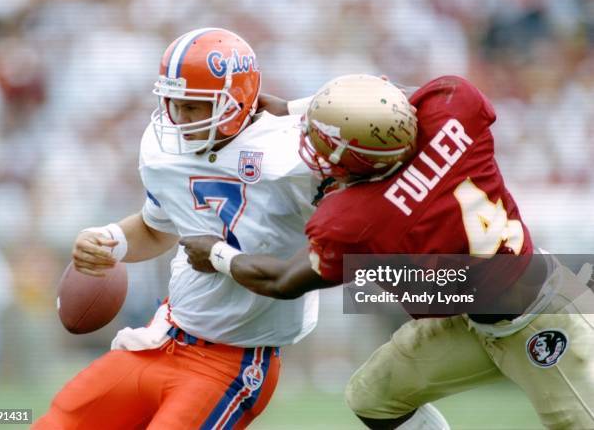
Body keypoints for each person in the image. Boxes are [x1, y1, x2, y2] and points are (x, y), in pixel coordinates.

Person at [182, 74, 594, 429]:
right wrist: (295, 108)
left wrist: (217, 254)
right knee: (372, 396)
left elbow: (283, 281)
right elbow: (395, 97)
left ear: (355, 161)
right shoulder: (454, 107)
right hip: (480, 314)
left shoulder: (362, 217)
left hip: (543, 317)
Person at [33, 27, 319, 429]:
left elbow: (335, 248)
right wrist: (108, 241)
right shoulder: (164, 149)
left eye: (193, 107)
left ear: (236, 101)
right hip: (163, 336)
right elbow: (156, 229)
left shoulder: (293, 152)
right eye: (173, 103)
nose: (179, 118)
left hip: (233, 360)